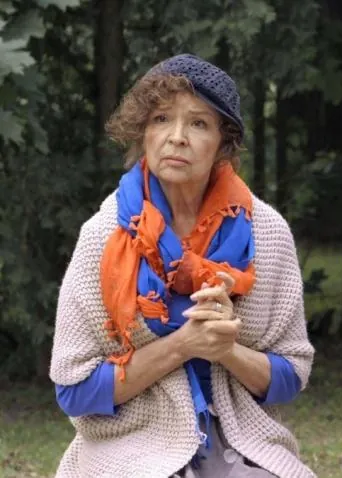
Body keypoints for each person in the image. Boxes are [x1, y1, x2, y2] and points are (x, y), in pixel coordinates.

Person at [49, 54, 316, 478]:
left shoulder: (266, 232)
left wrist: (226, 349)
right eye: (161, 119)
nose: (177, 138)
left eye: (198, 123)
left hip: (243, 443)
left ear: (223, 143)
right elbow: (74, 390)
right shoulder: (102, 235)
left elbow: (291, 376)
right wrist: (184, 344)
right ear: (143, 131)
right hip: (129, 447)